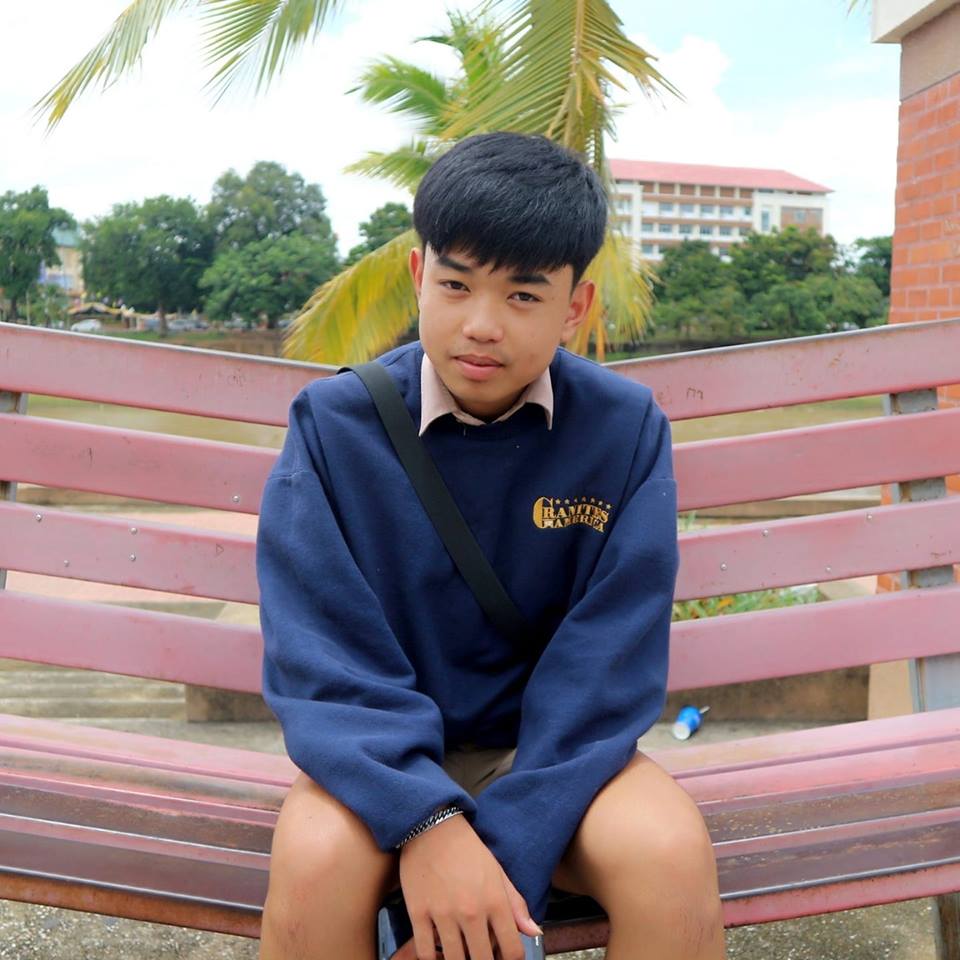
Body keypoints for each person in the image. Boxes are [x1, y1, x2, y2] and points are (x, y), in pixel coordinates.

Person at [255, 131, 726, 960]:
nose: (480, 325)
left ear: (574, 307)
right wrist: (426, 821)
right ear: (418, 276)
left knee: (668, 853)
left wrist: (495, 862)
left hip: (555, 760)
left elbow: (608, 661)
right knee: (316, 859)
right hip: (378, 757)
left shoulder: (623, 430)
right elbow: (321, 655)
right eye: (456, 284)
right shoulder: (333, 427)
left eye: (522, 295)